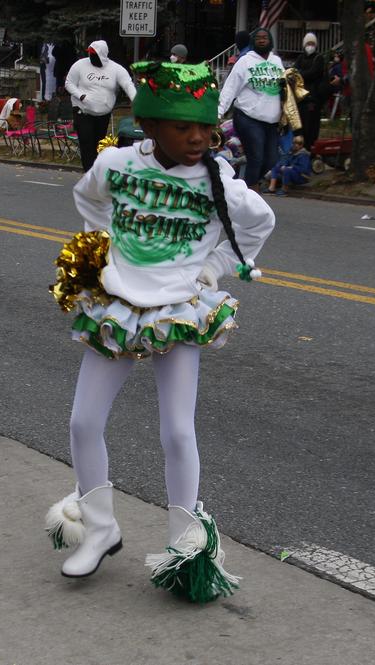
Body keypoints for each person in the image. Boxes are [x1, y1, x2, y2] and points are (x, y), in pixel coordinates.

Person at [45, 61, 274, 603]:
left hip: (178, 309)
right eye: (181, 126)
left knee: (176, 430)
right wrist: (101, 248)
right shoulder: (119, 164)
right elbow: (88, 197)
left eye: (206, 127)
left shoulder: (218, 180)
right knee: (83, 421)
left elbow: (261, 223)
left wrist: (213, 267)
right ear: (149, 125)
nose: (197, 138)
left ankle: (183, 546)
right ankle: (100, 528)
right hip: (119, 305)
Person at [218, 28, 285, 190]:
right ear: (253, 42)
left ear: (270, 41)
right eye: (258, 38)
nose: (262, 40)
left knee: (271, 159)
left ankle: (244, 187)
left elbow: (285, 89)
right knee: (256, 156)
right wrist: (218, 112)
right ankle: (251, 192)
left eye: (265, 38)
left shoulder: (277, 61)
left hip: (272, 121)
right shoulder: (245, 61)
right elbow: (230, 89)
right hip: (248, 118)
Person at [64, 40, 137, 171]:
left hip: (103, 113)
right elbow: (69, 83)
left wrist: (136, 101)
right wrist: (81, 95)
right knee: (86, 142)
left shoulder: (116, 69)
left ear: (102, 55)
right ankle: (89, 172)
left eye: (94, 54)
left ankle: (97, 171)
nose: (91, 57)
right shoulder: (79, 65)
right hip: (83, 110)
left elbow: (128, 84)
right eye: (90, 54)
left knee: (99, 144)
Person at [293, 32, 326, 149]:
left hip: (313, 99)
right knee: (299, 128)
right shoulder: (300, 58)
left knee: (311, 128)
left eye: (312, 43)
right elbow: (294, 73)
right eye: (308, 43)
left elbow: (314, 73)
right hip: (300, 99)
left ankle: (310, 151)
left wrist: (301, 74)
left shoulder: (319, 58)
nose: (310, 46)